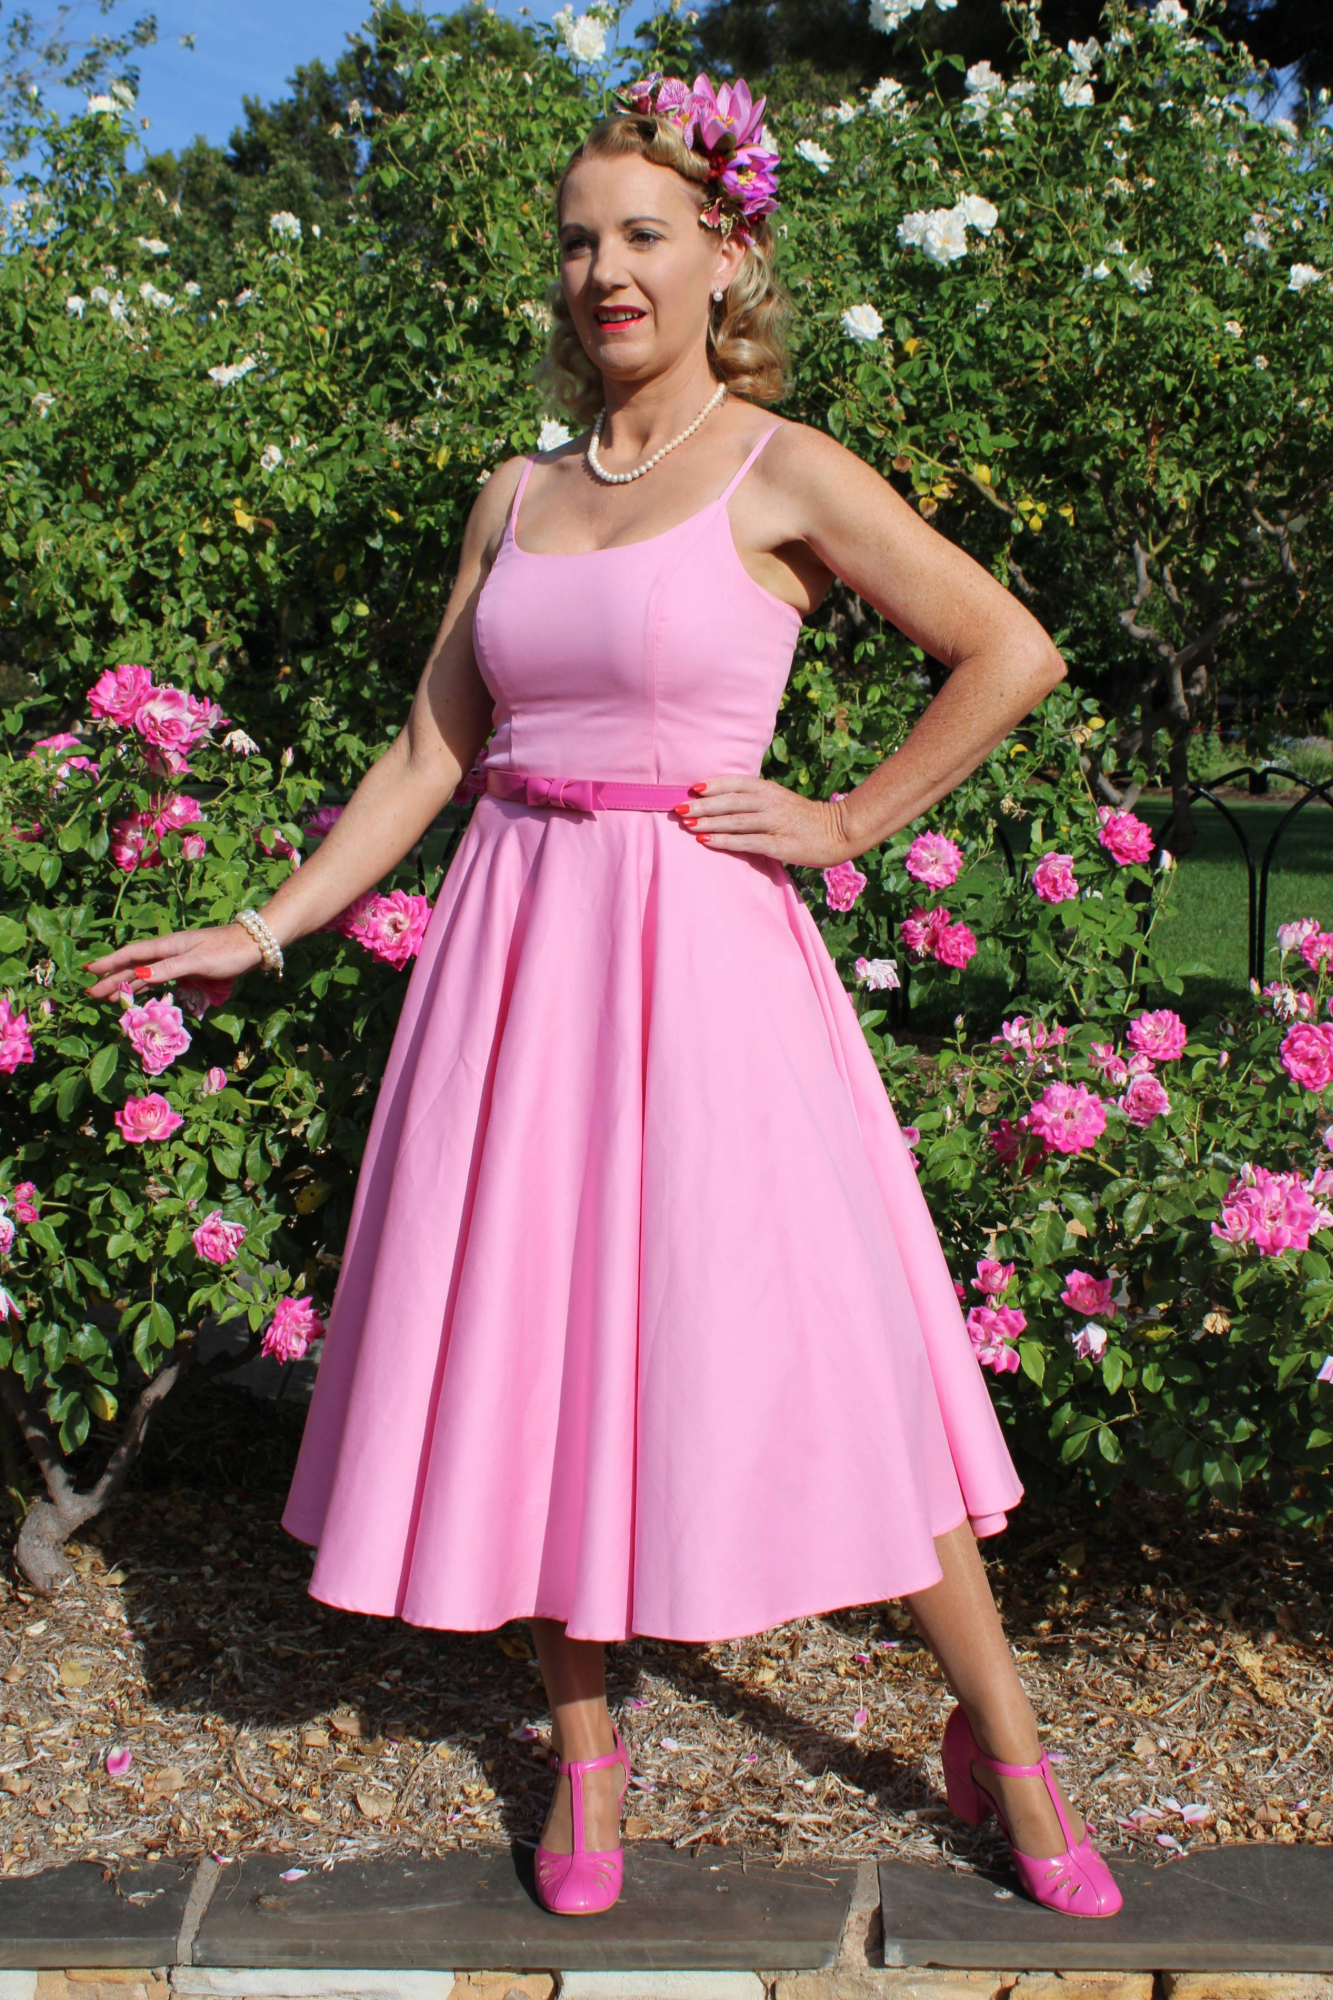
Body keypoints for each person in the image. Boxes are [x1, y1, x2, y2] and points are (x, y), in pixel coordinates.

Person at [86, 71, 1122, 1922]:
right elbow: (432, 750)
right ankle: (585, 1752)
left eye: (642, 234)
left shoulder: (783, 466)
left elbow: (1009, 649)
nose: (603, 272)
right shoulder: (516, 495)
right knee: (540, 1351)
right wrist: (266, 926)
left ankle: (1006, 1738)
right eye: (577, 242)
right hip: (515, 965)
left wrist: (846, 820)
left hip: (711, 971)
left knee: (832, 1349)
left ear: (726, 253)